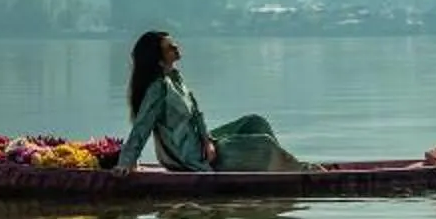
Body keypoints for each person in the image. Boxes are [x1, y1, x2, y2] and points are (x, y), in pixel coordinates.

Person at [115, 30, 311, 173]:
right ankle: (298, 171)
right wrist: (126, 162)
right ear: (159, 58)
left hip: (202, 144)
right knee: (263, 144)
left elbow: (197, 115)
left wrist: (208, 141)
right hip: (188, 156)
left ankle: (282, 167)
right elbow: (142, 126)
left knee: (255, 122)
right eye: (170, 47)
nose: (177, 47)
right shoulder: (158, 88)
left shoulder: (176, 78)